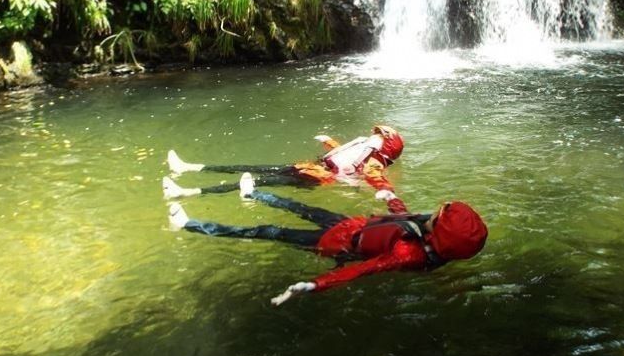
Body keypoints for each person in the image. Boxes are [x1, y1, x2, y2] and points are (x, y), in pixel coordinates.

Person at [167, 173, 488, 305]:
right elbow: (405, 218)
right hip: (354, 226)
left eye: (442, 213)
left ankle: (189, 225)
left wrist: (317, 283)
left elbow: (363, 270)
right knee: (301, 207)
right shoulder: (431, 235)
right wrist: (391, 197)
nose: (437, 210)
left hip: (339, 244)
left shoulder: (407, 253)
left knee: (269, 232)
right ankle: (255, 193)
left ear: (442, 231)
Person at [163, 125, 404, 199]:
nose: (375, 134)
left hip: (317, 177)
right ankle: (188, 167)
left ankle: (186, 192)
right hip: (311, 167)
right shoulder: (369, 150)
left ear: (386, 145)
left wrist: (386, 192)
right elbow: (345, 153)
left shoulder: (375, 162)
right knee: (250, 168)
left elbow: (374, 177)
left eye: (380, 135)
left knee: (259, 180)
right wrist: (329, 142)